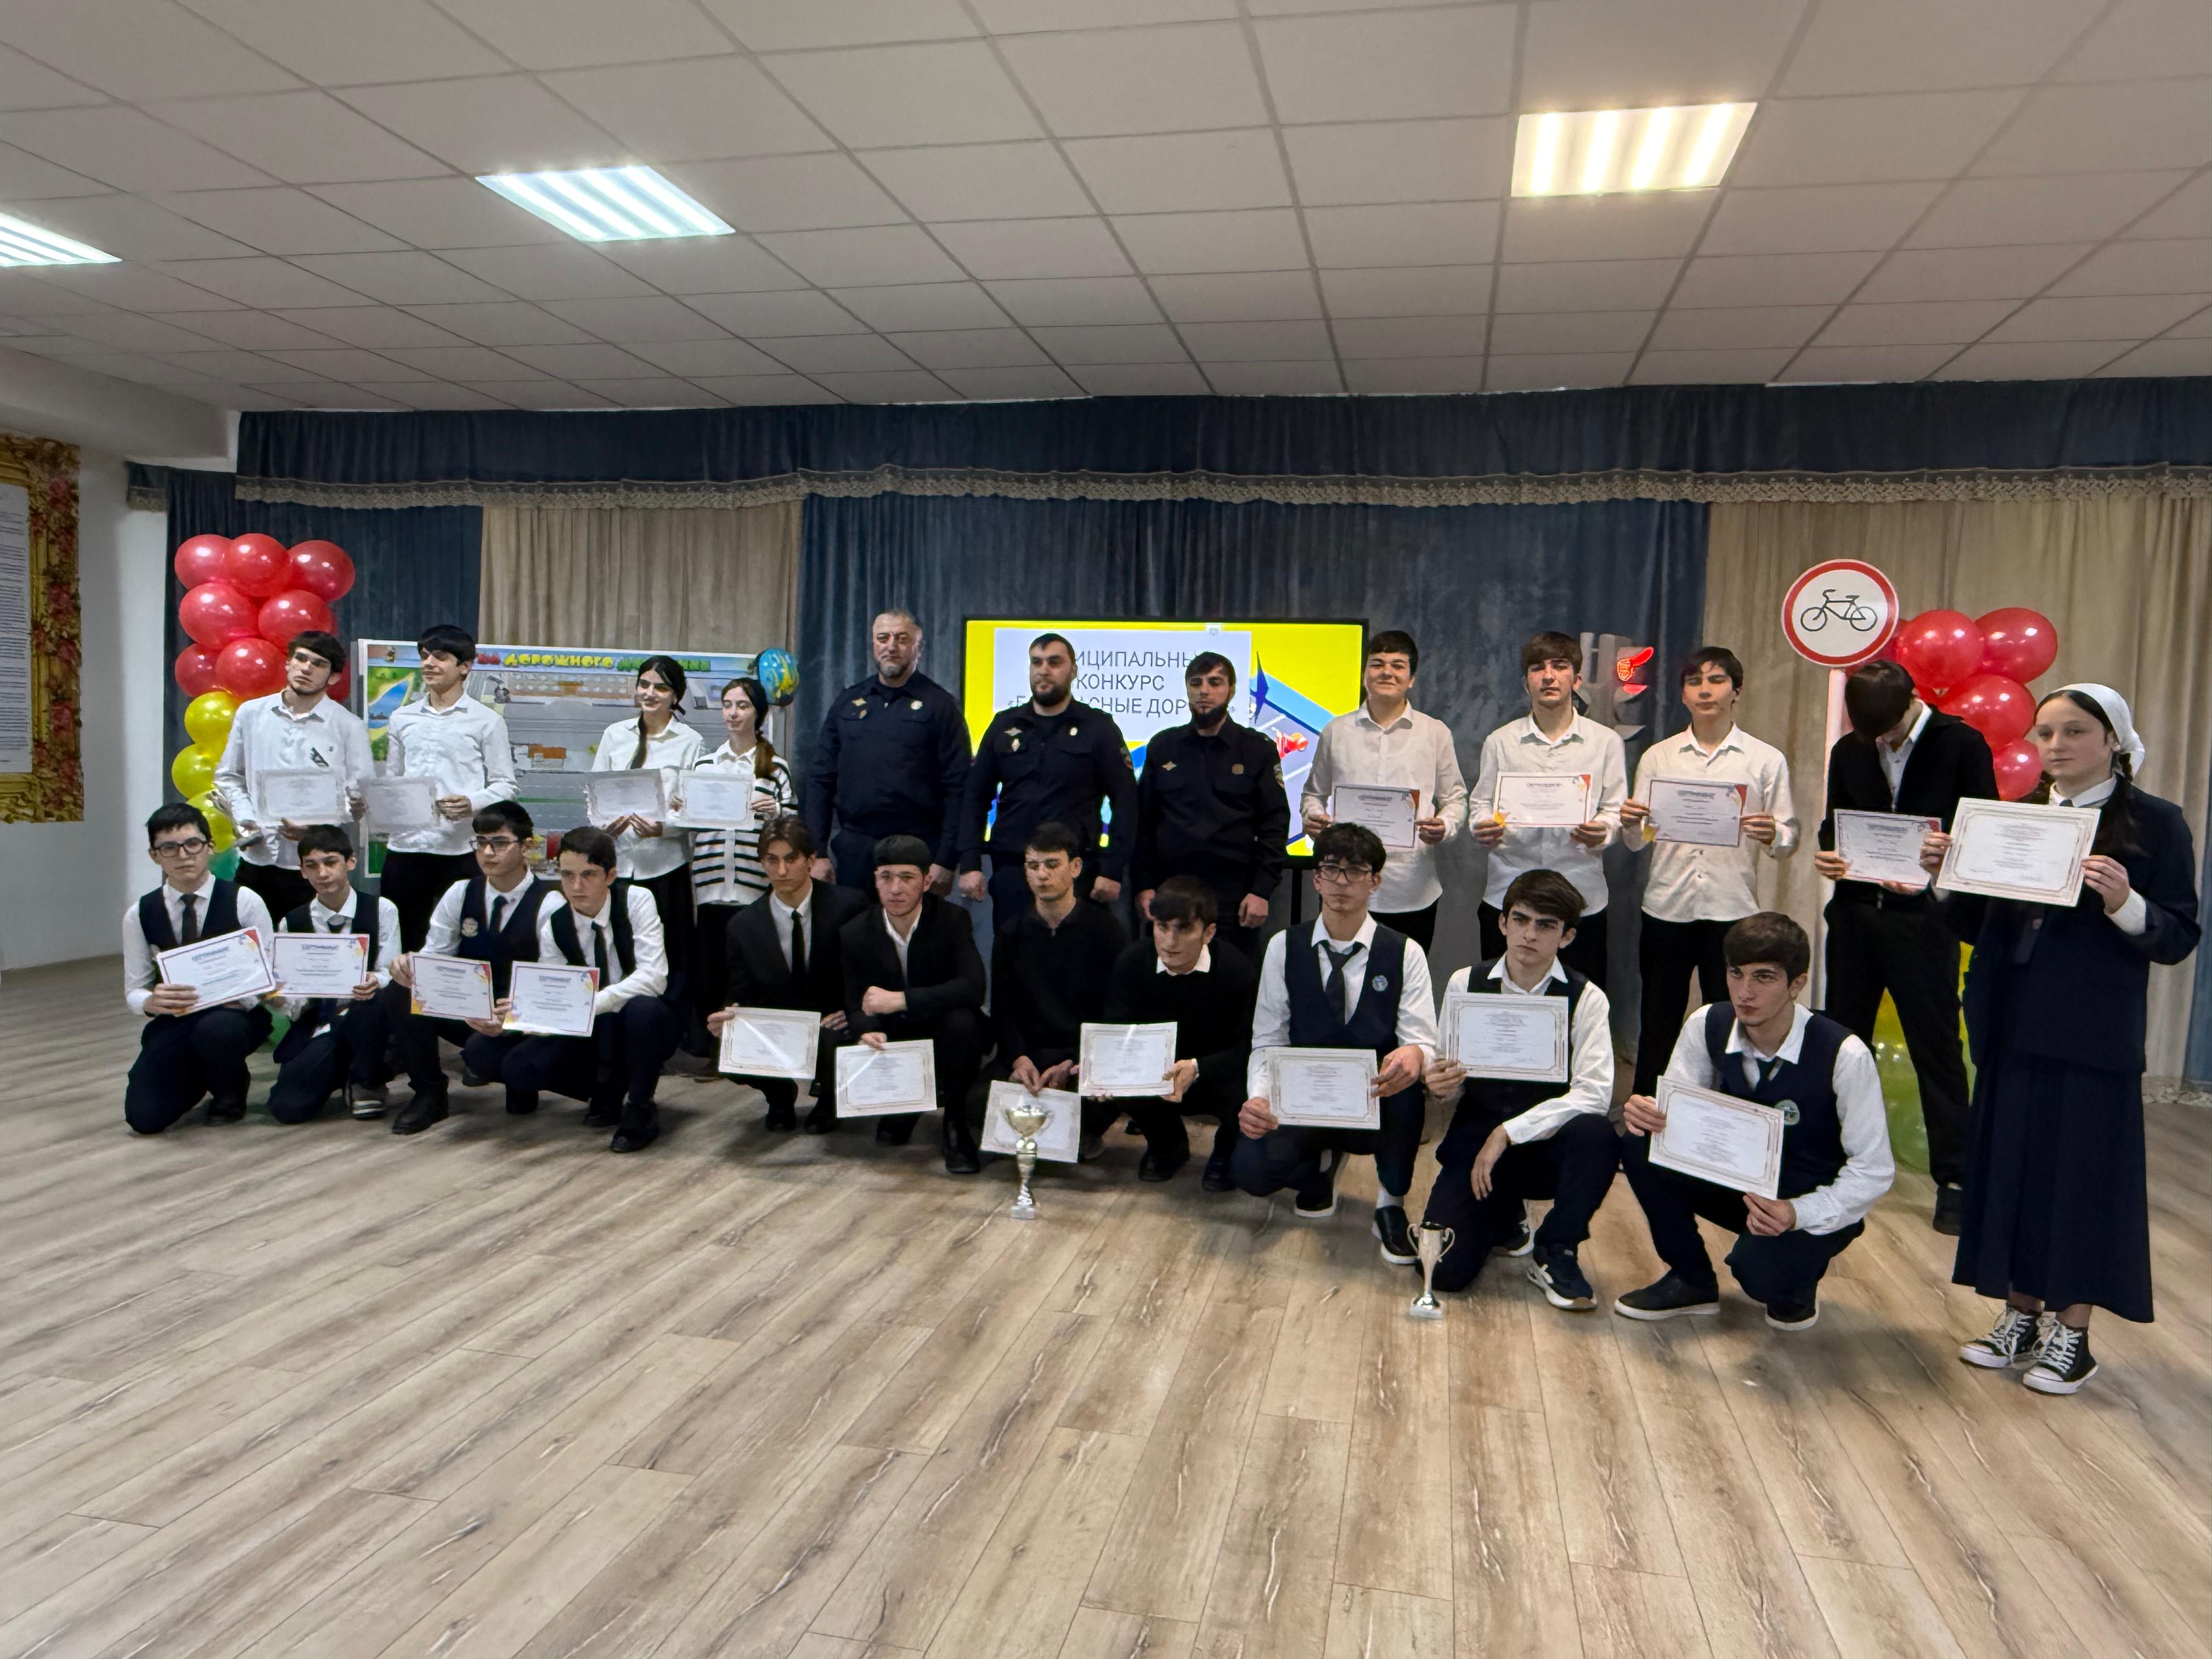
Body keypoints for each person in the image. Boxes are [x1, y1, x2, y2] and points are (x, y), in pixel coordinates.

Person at [1932, 685, 2198, 1397]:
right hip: (2011, 1022)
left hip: (2091, 1033)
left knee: (2081, 1180)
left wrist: (2125, 902)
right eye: (2045, 732)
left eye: (2074, 731)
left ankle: (2073, 1332)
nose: (2055, 746)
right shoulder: (2014, 816)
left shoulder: (2156, 823)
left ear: (2113, 740)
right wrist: (1943, 878)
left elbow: (2177, 935)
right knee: (2012, 1170)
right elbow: (1977, 925)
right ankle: (2018, 1314)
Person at [1615, 912, 1894, 1331]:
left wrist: (1798, 1212)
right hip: (1739, 1180)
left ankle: (1796, 1279)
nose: (1745, 992)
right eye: (1736, 974)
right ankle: (1691, 1278)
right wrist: (1650, 1113)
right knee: (1641, 1142)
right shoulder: (1707, 1022)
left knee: (1762, 1278)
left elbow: (1873, 1169)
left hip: (1806, 1194)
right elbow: (1679, 1117)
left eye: (1764, 977)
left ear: (1797, 984)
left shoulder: (1845, 1054)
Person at [1813, 656, 1996, 1235]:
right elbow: (1833, 825)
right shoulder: (1850, 750)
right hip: (1856, 918)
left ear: (1912, 703)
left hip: (1925, 922)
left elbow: (1985, 831)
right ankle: (1829, 1160)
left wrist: (1945, 859)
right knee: (1844, 1044)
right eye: (1871, 734)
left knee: (1936, 1048)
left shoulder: (1961, 744)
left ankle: (1957, 1180)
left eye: (1890, 731)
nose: (1882, 742)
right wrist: (1831, 856)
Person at [1233, 823, 1440, 1263]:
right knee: (1251, 1171)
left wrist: (1416, 1054)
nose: (1342, 882)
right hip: (1305, 1097)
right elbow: (1268, 1039)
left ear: (1375, 881)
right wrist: (1259, 1097)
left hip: (1375, 1099)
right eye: (1331, 869)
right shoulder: (1284, 946)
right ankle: (1319, 1168)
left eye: (1356, 871)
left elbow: (1423, 1039)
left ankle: (1390, 1202)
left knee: (1407, 1082)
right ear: (1316, 879)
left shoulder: (1405, 952)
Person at [1419, 870, 1619, 1307]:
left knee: (1597, 1134)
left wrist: (1509, 1132)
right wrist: (1440, 1085)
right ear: (1502, 923)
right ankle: (1507, 1216)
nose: (1530, 934)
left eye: (1546, 925)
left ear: (1567, 937)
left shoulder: (1587, 998)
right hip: (1477, 1142)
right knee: (1445, 1273)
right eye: (1521, 920)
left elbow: (1595, 1094)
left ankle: (1556, 1249)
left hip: (1545, 1147)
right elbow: (1449, 1080)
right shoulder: (1465, 983)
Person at [1620, 647, 1797, 1096]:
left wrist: (1772, 832)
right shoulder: (1659, 757)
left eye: (1717, 680)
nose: (1705, 690)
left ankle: (1727, 1112)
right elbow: (1637, 840)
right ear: (1683, 694)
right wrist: (1630, 823)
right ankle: (1646, 1114)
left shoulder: (1764, 759)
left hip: (1732, 910)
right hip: (1667, 907)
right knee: (1658, 1019)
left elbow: (1788, 839)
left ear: (1736, 691)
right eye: (1695, 681)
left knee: (1733, 1021)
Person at [488, 825, 680, 1154]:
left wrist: (590, 1003)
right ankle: (603, 1089)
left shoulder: (636, 900)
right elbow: (554, 993)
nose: (576, 887)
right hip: (591, 1027)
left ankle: (640, 1106)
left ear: (611, 875)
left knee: (643, 1010)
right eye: (567, 875)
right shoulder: (555, 923)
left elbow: (654, 977)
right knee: (516, 1066)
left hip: (642, 1023)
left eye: (588, 875)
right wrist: (519, 1015)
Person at [384, 800, 556, 1135]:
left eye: (500, 843)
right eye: (481, 842)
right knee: (403, 989)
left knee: (500, 1066)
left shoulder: (550, 901)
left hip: (520, 1018)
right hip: (469, 1010)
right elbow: (436, 955)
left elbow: (552, 980)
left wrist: (513, 1017)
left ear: (526, 846)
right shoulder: (461, 892)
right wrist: (411, 966)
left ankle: (517, 1077)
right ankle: (429, 1092)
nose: (488, 853)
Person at [1471, 631, 1629, 988]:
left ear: (1577, 679)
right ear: (1526, 682)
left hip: (1582, 896)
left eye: (1559, 667)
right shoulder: (1501, 742)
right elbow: (1481, 803)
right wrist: (1483, 826)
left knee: (1579, 1004)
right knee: (1504, 1006)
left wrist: (1603, 831)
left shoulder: (1605, 742)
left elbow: (1615, 808)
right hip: (1507, 893)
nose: (1548, 676)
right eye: (1537, 668)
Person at [957, 633, 1136, 930]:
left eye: (1054, 663)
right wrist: (970, 863)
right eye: (1036, 663)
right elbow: (975, 797)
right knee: (1012, 954)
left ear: (1073, 670)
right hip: (1013, 868)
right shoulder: (1005, 725)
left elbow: (1126, 800)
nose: (1044, 670)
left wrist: (1113, 869)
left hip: (1075, 871)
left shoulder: (1098, 728)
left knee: (1073, 955)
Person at [1299, 630, 1466, 949]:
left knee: (1405, 975)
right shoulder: (1336, 731)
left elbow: (1455, 798)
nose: (1387, 672)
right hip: (1344, 883)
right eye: (1377, 664)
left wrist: (1444, 826)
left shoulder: (1435, 733)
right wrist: (1315, 818)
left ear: (1411, 679)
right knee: (1340, 972)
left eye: (1398, 665)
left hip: (1411, 889)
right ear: (1365, 675)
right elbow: (1313, 795)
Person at [121, 802, 275, 1134]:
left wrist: (245, 997)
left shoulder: (245, 901)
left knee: (218, 1031)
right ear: (154, 856)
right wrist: (150, 1001)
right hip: (177, 1021)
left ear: (210, 847)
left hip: (235, 1019)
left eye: (192, 844)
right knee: (144, 1118)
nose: (183, 856)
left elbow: (270, 973)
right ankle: (202, 1074)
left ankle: (230, 1092)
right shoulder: (140, 913)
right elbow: (135, 989)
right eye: (169, 848)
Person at [1131, 651, 1290, 967]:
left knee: (1233, 980)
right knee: (1167, 980)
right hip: (1171, 888)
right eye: (1196, 683)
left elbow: (1274, 824)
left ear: (1231, 690)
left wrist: (1261, 891)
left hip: (1234, 895)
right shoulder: (1163, 746)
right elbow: (1143, 822)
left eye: (1215, 683)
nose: (1204, 691)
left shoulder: (1256, 749)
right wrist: (1144, 885)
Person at [707, 816, 865, 1133]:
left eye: (791, 859)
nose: (781, 871)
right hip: (780, 1022)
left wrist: (852, 1010)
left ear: (810, 860)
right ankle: (779, 1096)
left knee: (837, 1035)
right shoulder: (743, 925)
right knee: (726, 1047)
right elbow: (740, 989)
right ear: (762, 864)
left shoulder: (849, 905)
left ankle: (830, 1100)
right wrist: (728, 1018)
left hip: (832, 1018)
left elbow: (865, 972)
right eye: (772, 860)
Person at [840, 833, 988, 1172]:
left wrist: (902, 1000)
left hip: (940, 1024)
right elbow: (854, 999)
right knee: (845, 1035)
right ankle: (906, 1105)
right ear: (875, 881)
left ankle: (955, 1123)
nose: (896, 889)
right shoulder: (855, 931)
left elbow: (972, 987)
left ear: (926, 881)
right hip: (894, 1033)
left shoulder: (952, 920)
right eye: (886, 877)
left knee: (964, 1023)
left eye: (907, 877)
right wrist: (866, 1029)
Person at [984, 821, 1128, 1159]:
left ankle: (1075, 1132)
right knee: (974, 1103)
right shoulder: (1012, 932)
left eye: (1052, 865)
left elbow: (1118, 1011)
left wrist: (1075, 1061)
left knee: (1105, 1101)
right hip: (1032, 1053)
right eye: (1033, 866)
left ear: (1075, 867)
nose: (1042, 875)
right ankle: (1056, 1133)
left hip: (1081, 1056)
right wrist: (1019, 1058)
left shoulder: (1105, 930)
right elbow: (1004, 1007)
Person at [1103, 876, 1259, 1188]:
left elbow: (1247, 1047)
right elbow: (1116, 1030)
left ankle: (1227, 1149)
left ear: (1208, 932)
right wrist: (1101, 1064)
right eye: (1162, 927)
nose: (1170, 941)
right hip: (1157, 1072)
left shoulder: (1236, 970)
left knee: (1251, 1085)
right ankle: (1167, 1144)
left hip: (1216, 1071)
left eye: (1184, 929)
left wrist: (1198, 1068)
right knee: (1119, 1080)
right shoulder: (1133, 962)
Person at [804, 608, 970, 892]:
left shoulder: (941, 706)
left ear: (919, 648)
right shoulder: (847, 703)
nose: (891, 646)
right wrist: (817, 852)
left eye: (902, 639)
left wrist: (946, 859)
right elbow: (820, 779)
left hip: (918, 850)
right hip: (856, 849)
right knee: (853, 922)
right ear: (873, 645)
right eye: (883, 638)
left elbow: (959, 788)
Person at [213, 629, 371, 922]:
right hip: (257, 857)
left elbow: (360, 795)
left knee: (307, 943)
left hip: (315, 865)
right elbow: (228, 776)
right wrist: (247, 820)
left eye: (318, 664)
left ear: (333, 677)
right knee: (248, 940)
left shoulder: (349, 726)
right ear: (288, 663)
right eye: (301, 659)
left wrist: (316, 826)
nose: (306, 668)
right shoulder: (251, 713)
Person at [380, 624, 519, 950]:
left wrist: (472, 802)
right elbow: (393, 779)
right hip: (406, 847)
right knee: (403, 938)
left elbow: (506, 785)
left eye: (440, 657)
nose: (429, 663)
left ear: (465, 667)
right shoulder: (402, 717)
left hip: (460, 849)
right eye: (425, 656)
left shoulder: (486, 720)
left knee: (464, 938)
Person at [685, 676, 799, 1049]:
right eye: (728, 705)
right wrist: (681, 808)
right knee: (710, 968)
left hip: (755, 883)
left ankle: (748, 1046)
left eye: (743, 706)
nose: (733, 713)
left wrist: (776, 810)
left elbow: (795, 826)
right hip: (711, 881)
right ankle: (709, 1047)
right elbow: (690, 823)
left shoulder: (775, 767)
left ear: (758, 713)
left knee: (748, 968)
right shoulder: (705, 764)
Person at [590, 654, 704, 1012]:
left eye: (661, 688)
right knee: (620, 947)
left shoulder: (690, 741)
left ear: (676, 696)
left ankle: (666, 1024)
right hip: (619, 864)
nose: (650, 693)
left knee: (671, 952)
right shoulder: (614, 735)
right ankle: (616, 1016)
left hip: (665, 866)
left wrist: (665, 827)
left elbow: (696, 809)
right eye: (644, 685)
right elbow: (594, 795)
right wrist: (602, 825)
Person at [266, 823, 402, 1125]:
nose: (323, 873)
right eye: (312, 866)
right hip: (321, 1022)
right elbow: (294, 997)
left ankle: (367, 1082)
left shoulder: (382, 909)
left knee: (375, 1001)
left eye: (330, 863)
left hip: (368, 1016)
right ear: (302, 871)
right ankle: (344, 1069)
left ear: (350, 862)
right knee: (287, 1108)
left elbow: (389, 971)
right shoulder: (291, 923)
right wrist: (278, 998)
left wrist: (375, 980)